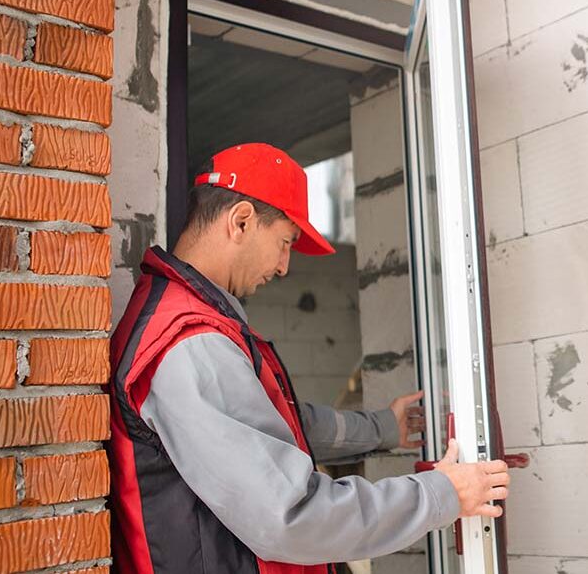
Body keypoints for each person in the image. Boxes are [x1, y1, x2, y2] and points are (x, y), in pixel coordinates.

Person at [108, 143, 510, 573]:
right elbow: (291, 517)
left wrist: (381, 428)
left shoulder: (188, 318)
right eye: (285, 242)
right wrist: (441, 494)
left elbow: (276, 424)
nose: (284, 267)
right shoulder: (190, 344)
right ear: (240, 220)